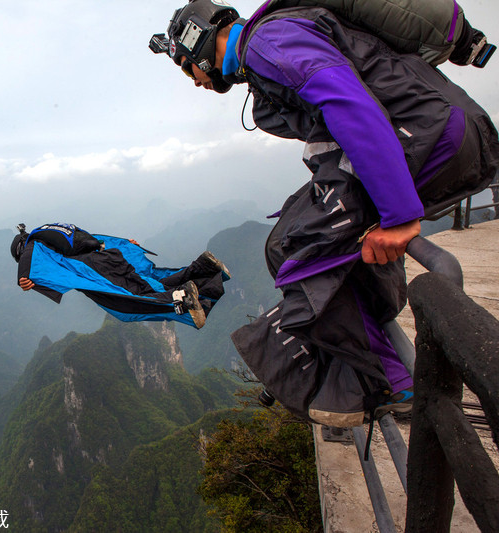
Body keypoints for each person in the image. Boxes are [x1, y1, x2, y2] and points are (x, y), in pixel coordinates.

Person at [151, 0, 499, 425]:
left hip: (430, 135)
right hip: (436, 131)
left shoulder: (268, 41)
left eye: (189, 68)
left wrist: (399, 215)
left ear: (200, 43)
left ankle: (385, 381)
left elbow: (347, 104)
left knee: (297, 247)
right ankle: (384, 371)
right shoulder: (266, 58)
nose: (195, 80)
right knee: (288, 240)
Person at [11, 223, 230, 329]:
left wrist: (23, 276)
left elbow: (29, 258)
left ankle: (181, 299)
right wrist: (126, 245)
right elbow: (95, 238)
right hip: (110, 257)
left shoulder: (33, 244)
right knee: (153, 283)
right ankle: (203, 268)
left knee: (125, 307)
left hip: (98, 269)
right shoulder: (56, 231)